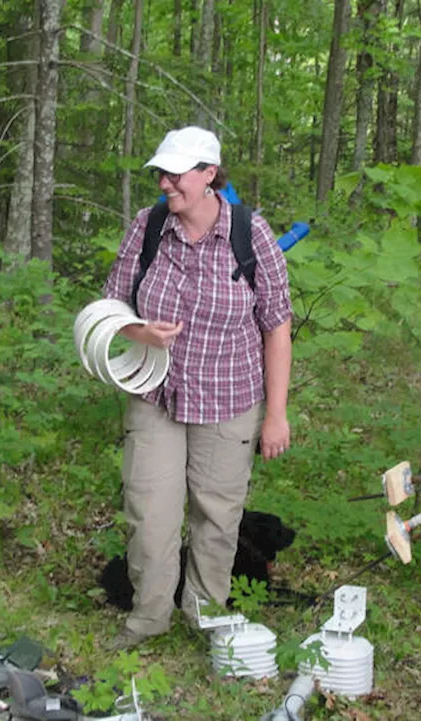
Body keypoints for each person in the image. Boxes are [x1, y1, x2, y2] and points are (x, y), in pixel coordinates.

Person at [100, 126, 293, 651]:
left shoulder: (250, 235)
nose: (165, 183)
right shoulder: (148, 227)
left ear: (209, 175)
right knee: (150, 511)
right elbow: (110, 306)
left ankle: (205, 614)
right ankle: (148, 617)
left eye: (176, 173)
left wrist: (276, 415)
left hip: (230, 398)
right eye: (161, 172)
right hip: (155, 394)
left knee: (217, 513)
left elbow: (277, 327)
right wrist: (137, 331)